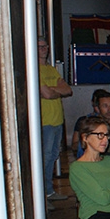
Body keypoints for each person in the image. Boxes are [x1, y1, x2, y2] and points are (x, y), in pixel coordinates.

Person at [38, 37, 72, 204]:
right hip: (45, 122)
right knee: (44, 158)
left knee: (52, 156)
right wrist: (56, 90)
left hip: (57, 119)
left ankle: (49, 191)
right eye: (40, 46)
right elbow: (48, 94)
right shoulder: (34, 70)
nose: (44, 49)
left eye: (45, 46)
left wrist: (52, 90)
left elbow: (68, 90)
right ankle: (42, 194)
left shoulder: (51, 69)